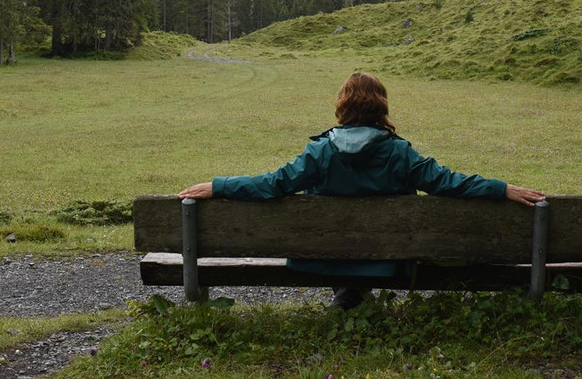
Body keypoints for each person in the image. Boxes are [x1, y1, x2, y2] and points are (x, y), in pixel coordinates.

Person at [178, 71, 545, 308]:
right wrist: (502, 188)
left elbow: (274, 185)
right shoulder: (399, 152)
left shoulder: (320, 151)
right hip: (388, 262)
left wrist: (218, 185)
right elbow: (449, 182)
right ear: (380, 105)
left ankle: (347, 290)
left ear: (342, 105)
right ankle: (358, 290)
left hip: (322, 259)